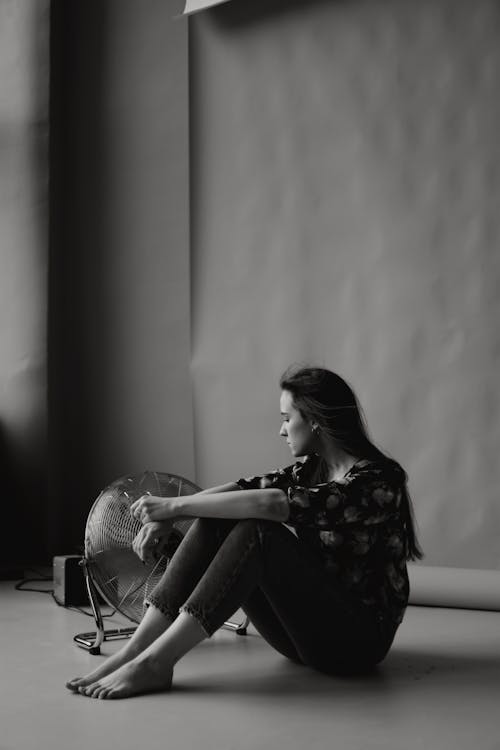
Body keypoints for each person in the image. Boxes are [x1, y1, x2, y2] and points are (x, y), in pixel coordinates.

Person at [66, 365, 422, 700]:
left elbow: (270, 505)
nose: (282, 430)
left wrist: (172, 508)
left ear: (314, 421)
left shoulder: (377, 481)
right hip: (304, 637)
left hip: (355, 645)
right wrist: (172, 515)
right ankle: (137, 649)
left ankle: (156, 662)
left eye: (287, 419)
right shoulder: (315, 469)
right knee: (223, 513)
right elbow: (242, 489)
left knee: (258, 532)